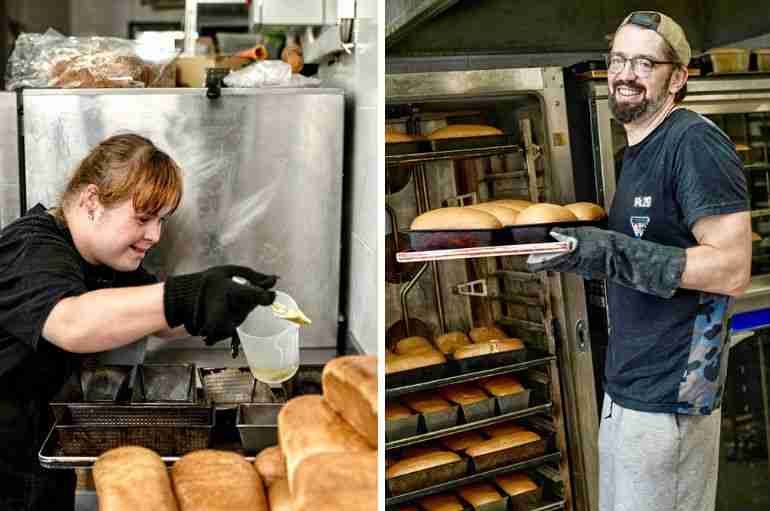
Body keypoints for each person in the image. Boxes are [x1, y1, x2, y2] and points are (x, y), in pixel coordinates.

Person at [528, 11, 751, 511]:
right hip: (629, 387)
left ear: (677, 78)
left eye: (644, 62)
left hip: (670, 396)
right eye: (618, 59)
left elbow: (731, 269)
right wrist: (584, 253)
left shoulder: (693, 142)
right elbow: (642, 252)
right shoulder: (637, 151)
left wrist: (609, 252)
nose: (625, 73)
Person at [0, 133, 277, 510]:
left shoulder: (103, 259)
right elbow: (73, 322)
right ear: (92, 201)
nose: (155, 235)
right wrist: (188, 295)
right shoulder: (31, 248)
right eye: (144, 218)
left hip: (39, 448)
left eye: (161, 220)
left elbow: (157, 318)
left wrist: (225, 306)